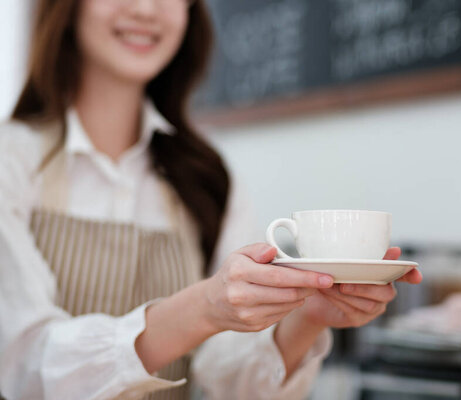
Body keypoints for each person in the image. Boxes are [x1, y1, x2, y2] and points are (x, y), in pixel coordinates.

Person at [0, 0, 423, 399]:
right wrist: (202, 308)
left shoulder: (206, 177)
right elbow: (23, 366)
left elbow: (227, 377)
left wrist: (307, 319)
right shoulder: (11, 160)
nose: (147, 10)